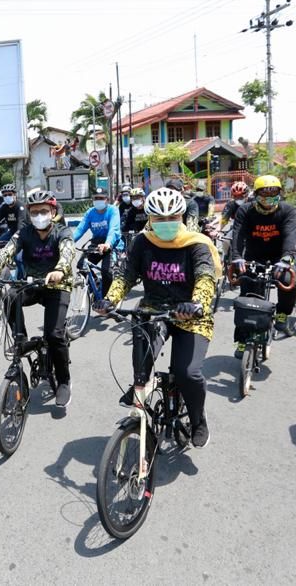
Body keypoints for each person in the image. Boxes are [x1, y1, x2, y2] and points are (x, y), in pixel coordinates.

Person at [96, 187, 220, 448]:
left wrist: (196, 303)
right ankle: (140, 383)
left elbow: (206, 278)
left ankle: (198, 421)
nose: (166, 224)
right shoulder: (143, 242)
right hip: (154, 309)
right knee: (142, 356)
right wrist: (110, 299)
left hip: (192, 314)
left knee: (188, 373)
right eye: (160, 219)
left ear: (182, 217)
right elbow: (126, 274)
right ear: (150, 219)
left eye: (172, 218)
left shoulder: (196, 244)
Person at [0, 189, 76, 407]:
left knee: (54, 335)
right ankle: (20, 338)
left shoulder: (62, 231)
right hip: (31, 283)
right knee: (9, 295)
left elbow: (68, 252)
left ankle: (64, 382)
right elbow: (6, 252)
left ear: (52, 211)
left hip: (58, 286)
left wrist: (59, 269)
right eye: (34, 212)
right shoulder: (24, 233)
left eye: (43, 211)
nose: (39, 215)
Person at [229, 175, 296, 352]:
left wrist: (286, 258)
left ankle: (282, 314)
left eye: (273, 193)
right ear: (256, 194)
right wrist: (237, 257)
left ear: (279, 193)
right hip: (253, 257)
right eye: (264, 193)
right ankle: (242, 340)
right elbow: (238, 235)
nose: (268, 197)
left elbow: (290, 235)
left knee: (289, 280)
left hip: (279, 258)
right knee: (247, 298)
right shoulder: (245, 210)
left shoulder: (287, 210)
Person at [72, 186, 122, 294]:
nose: (98, 200)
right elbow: (80, 229)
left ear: (107, 200)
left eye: (101, 198)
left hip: (112, 244)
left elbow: (113, 230)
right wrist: (68, 242)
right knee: (82, 266)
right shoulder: (90, 213)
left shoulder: (113, 210)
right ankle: (96, 284)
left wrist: (108, 243)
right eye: (96, 198)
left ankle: (106, 299)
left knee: (106, 271)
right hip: (97, 243)